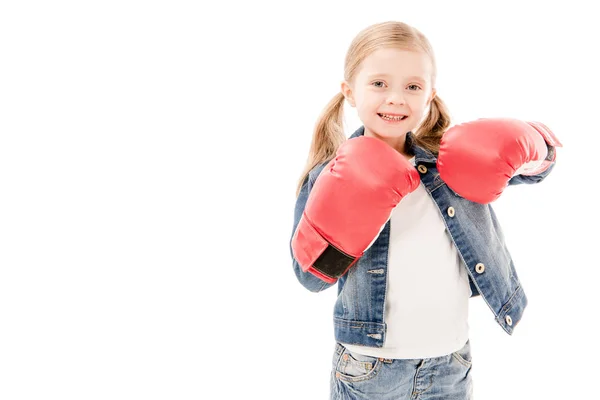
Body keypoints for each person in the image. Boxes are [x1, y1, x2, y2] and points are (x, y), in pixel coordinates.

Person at [289, 21, 562, 399]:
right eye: (379, 84)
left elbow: (535, 172)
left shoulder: (452, 166)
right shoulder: (329, 174)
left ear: (430, 95)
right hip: (370, 368)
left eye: (412, 86)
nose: (396, 98)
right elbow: (311, 278)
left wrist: (536, 144)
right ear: (349, 92)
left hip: (450, 362)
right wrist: (345, 207)